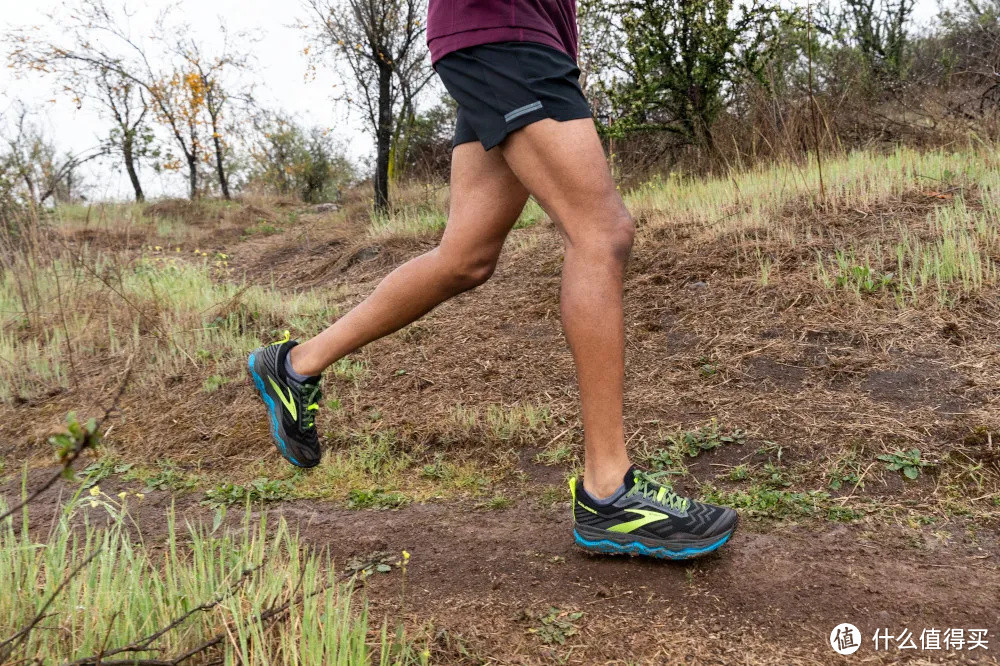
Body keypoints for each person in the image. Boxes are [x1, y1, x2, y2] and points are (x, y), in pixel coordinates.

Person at [248, 0, 738, 560]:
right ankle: (610, 492)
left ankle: (294, 365)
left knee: (466, 256)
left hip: (518, 37)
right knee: (602, 234)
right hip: (502, 32)